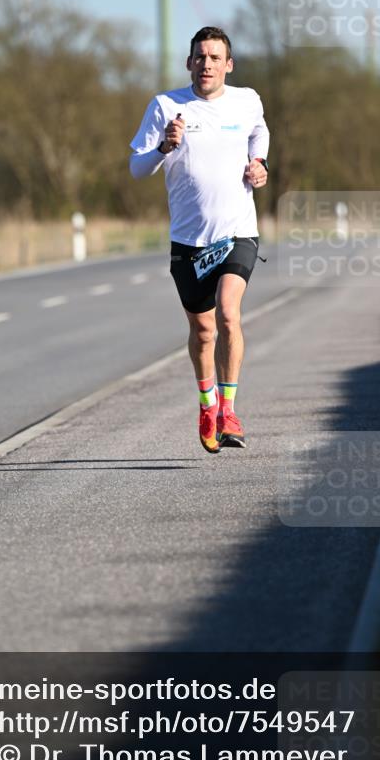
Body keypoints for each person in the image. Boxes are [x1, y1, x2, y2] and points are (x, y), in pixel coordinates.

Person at [129, 26, 269, 453]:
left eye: (214, 58)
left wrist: (258, 162)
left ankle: (228, 410)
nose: (206, 64)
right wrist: (164, 149)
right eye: (199, 57)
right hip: (189, 242)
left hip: (237, 232)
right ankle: (207, 404)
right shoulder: (166, 106)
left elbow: (259, 133)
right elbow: (137, 168)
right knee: (203, 330)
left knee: (228, 314)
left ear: (228, 65)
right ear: (189, 62)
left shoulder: (247, 100)